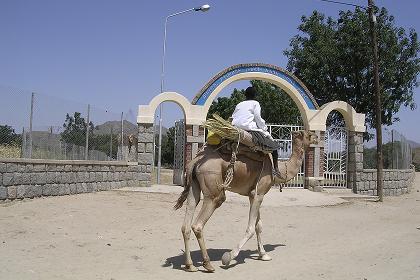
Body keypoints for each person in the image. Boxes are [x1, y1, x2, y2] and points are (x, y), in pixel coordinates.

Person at [231, 86, 281, 175]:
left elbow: (234, 116)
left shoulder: (239, 104)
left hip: (235, 128)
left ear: (245, 95)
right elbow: (258, 118)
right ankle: (276, 169)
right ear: (255, 95)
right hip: (249, 129)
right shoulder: (255, 103)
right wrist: (264, 128)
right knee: (274, 147)